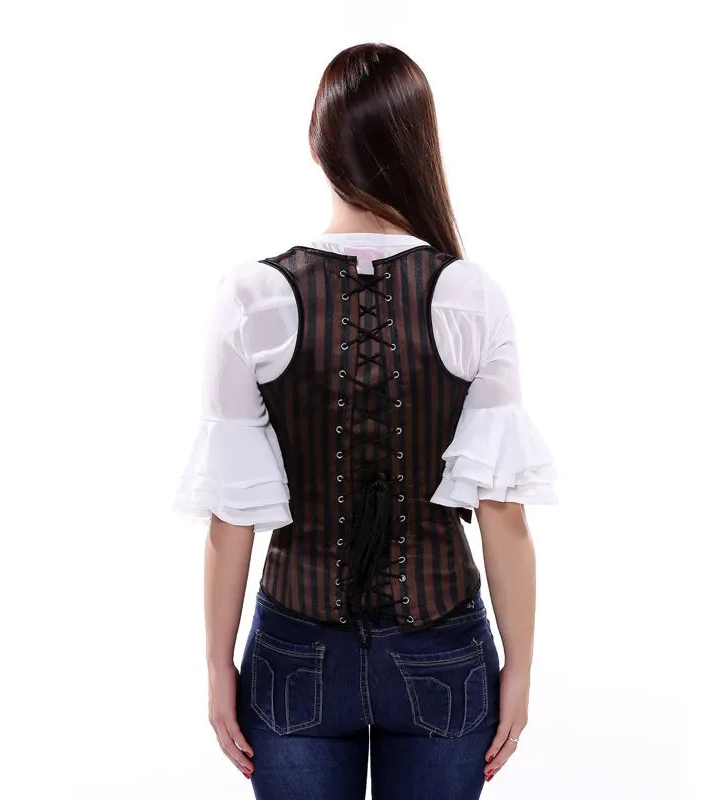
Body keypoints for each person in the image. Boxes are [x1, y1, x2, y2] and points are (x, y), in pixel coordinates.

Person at [173, 42, 557, 800]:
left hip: (294, 652)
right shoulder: (470, 295)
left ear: (317, 144)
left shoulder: (253, 297)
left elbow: (233, 511)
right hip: (443, 650)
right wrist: (520, 669)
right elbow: (503, 511)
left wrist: (218, 668)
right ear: (421, 145)